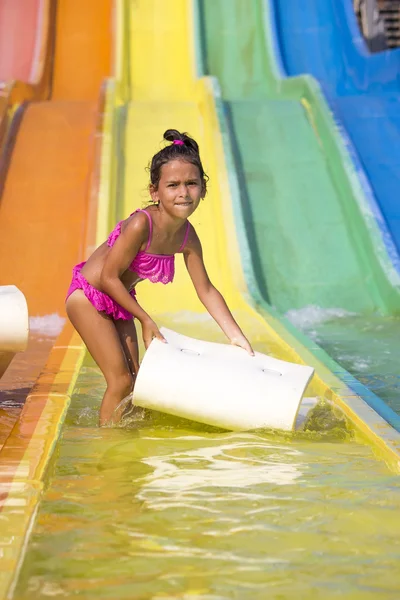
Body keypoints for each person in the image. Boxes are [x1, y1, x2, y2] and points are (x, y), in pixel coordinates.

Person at [65, 129, 254, 426]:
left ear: (203, 188)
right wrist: (145, 318)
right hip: (88, 296)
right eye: (173, 185)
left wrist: (236, 336)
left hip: (119, 302)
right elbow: (108, 277)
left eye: (191, 184)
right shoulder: (142, 223)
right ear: (155, 192)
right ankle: (105, 446)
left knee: (139, 383)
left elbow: (206, 290)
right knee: (120, 382)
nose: (183, 193)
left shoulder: (187, 237)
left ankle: (125, 432)